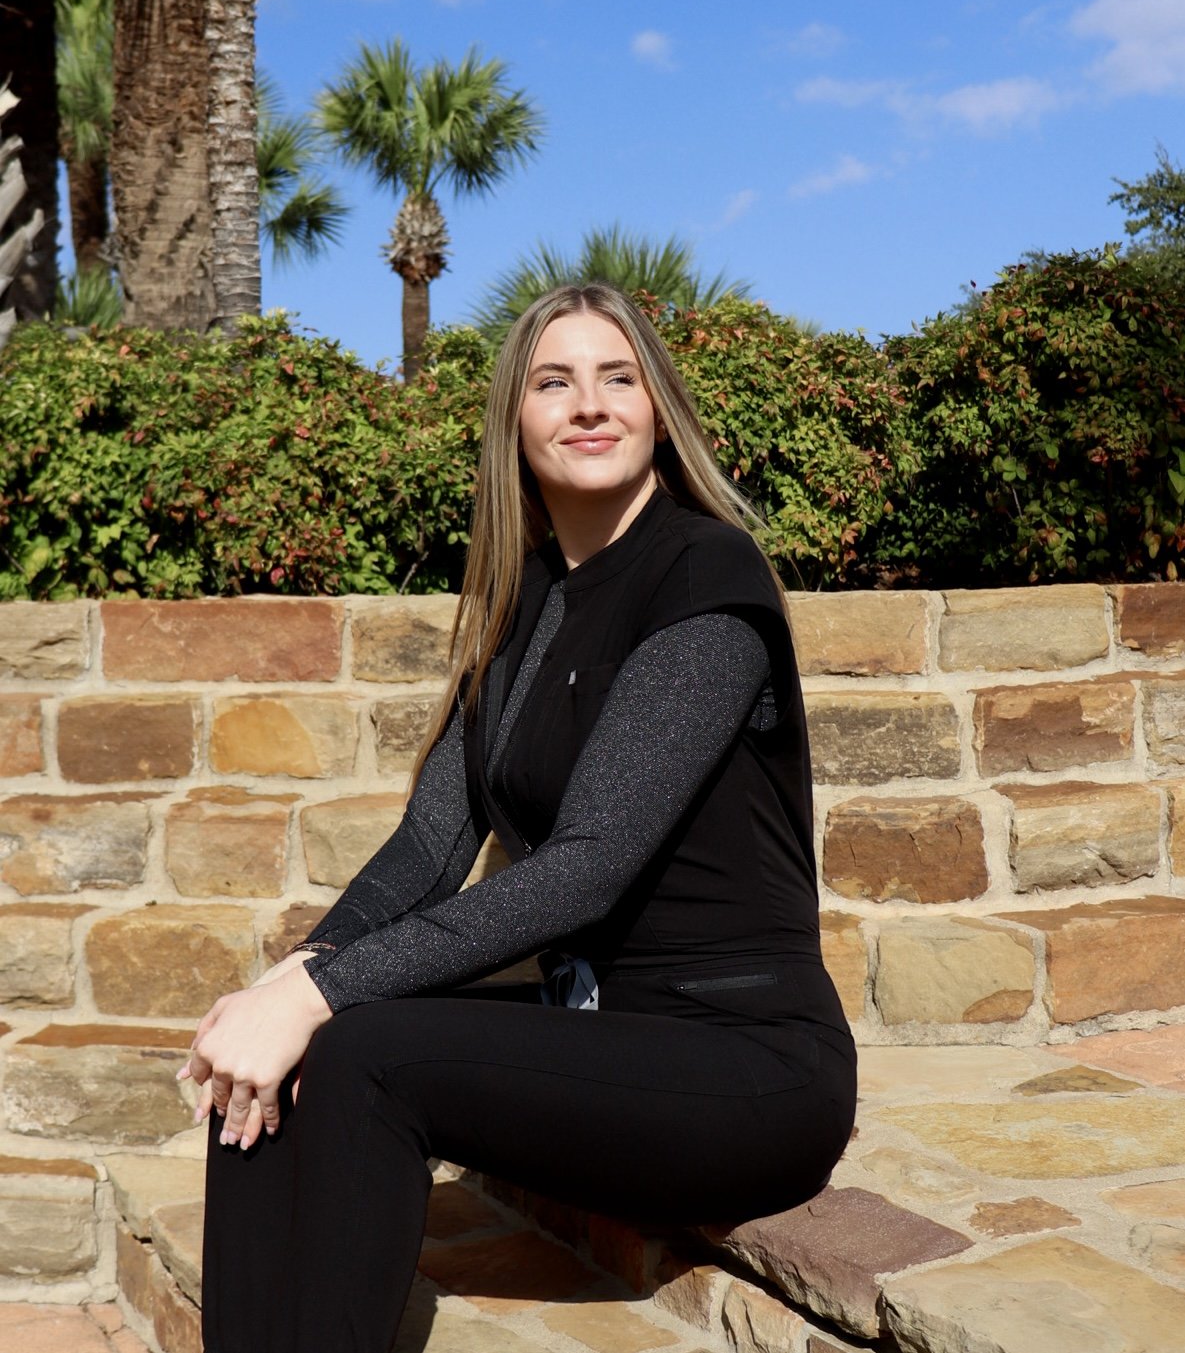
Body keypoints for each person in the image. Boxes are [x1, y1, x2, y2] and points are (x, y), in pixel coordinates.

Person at [186, 282, 857, 1353]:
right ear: (515, 419)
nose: (589, 405)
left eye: (617, 377)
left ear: (657, 407)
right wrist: (288, 981)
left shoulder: (705, 576)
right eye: (555, 382)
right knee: (277, 1052)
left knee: (362, 1051)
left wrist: (319, 994)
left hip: (748, 1061)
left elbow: (587, 866)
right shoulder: (523, 599)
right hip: (606, 1036)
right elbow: (430, 844)